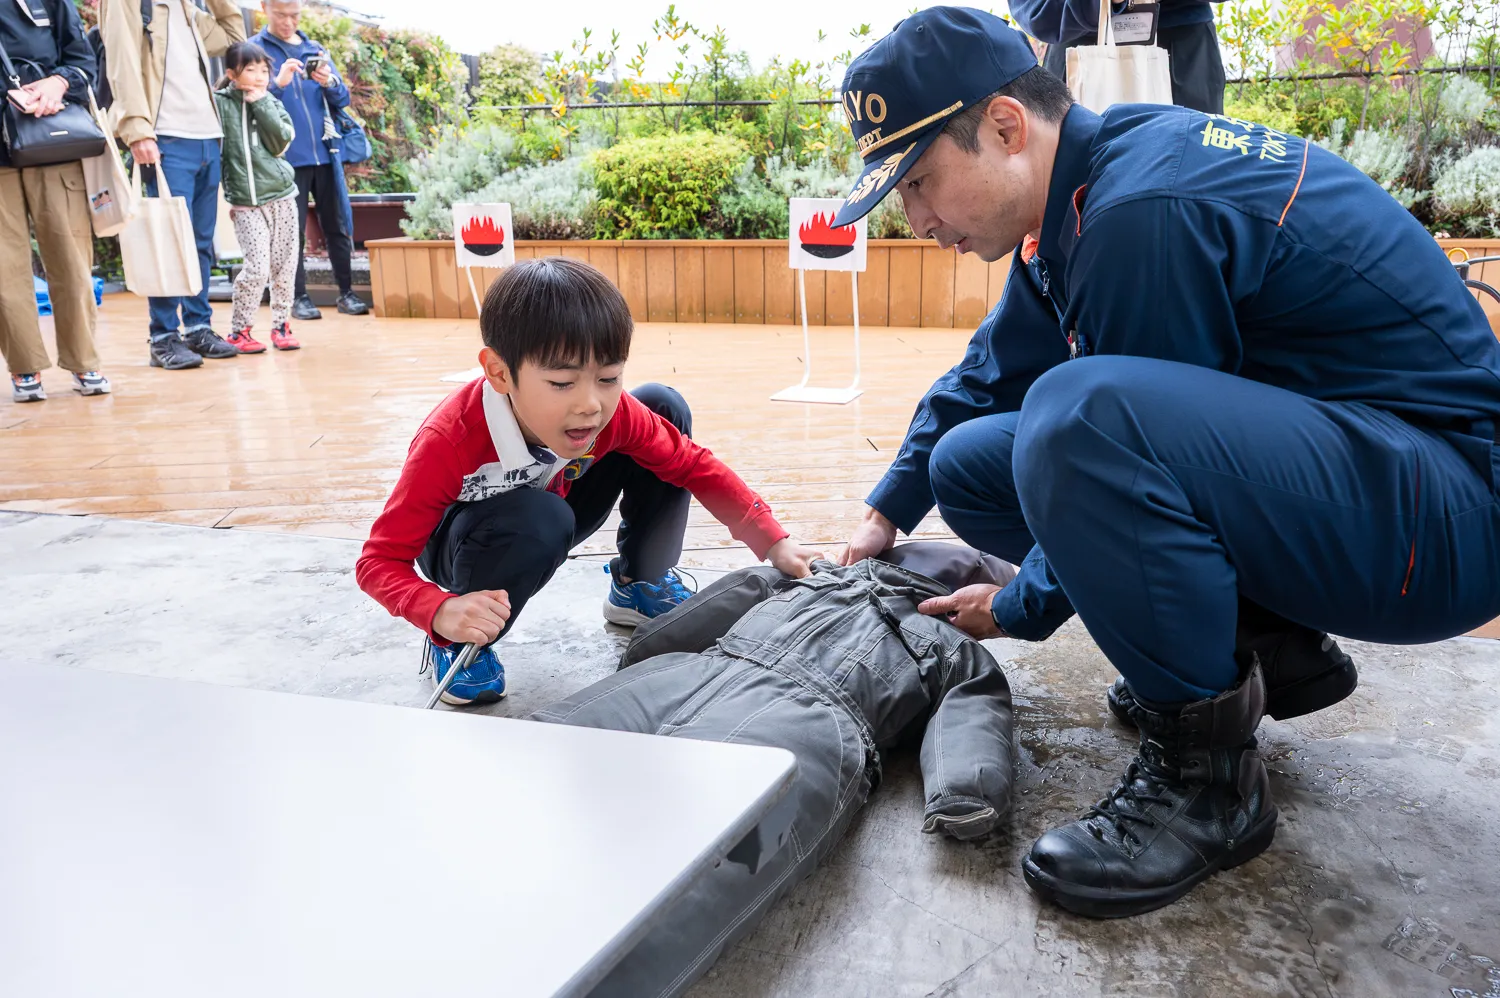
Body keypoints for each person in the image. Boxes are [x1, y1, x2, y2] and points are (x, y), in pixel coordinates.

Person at [831, 7, 1500, 917]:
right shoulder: (1087, 185)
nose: (915, 220)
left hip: (1444, 517)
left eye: (919, 183)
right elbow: (989, 370)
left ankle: (1208, 784)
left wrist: (1020, 606)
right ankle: (1267, 650)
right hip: (1367, 482)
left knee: (1076, 418)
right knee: (973, 461)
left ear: (1003, 126)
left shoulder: (1139, 213)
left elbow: (1111, 450)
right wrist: (885, 510)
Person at [355, 257, 824, 706]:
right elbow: (378, 562)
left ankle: (639, 582)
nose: (591, 404)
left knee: (663, 407)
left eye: (609, 377)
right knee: (538, 515)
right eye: (562, 383)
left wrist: (773, 541)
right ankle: (462, 641)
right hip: (463, 543)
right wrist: (435, 611)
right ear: (499, 373)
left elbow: (692, 465)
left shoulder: (607, 413)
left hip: (553, 509)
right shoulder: (450, 439)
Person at [101, 0, 244, 371]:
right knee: (164, 238)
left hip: (207, 136)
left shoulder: (187, 7)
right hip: (164, 136)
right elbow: (121, 62)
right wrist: (136, 129)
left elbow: (233, 38)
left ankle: (198, 327)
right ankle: (163, 335)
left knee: (200, 241)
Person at [1, 0, 111, 401]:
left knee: (71, 256)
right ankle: (24, 366)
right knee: (4, 268)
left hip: (52, 137)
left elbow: (83, 60)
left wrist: (58, 83)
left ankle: (84, 361)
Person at [253, 0, 369, 321]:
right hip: (286, 157)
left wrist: (329, 82)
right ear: (265, 8)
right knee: (292, 233)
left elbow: (342, 98)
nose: (288, 22)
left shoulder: (313, 47)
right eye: (281, 15)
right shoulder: (256, 50)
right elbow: (251, 102)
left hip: (326, 153)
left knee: (338, 224)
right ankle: (298, 297)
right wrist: (279, 84)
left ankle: (346, 293)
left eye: (294, 15)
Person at [213, 41, 301, 353]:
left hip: (282, 197)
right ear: (232, 74)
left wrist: (262, 102)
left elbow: (280, 144)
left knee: (284, 264)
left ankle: (281, 325)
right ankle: (240, 331)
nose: (260, 76)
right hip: (245, 203)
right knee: (257, 267)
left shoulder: (272, 102)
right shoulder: (219, 104)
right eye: (251, 69)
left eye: (264, 70)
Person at [1009, 0, 1227, 113]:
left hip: (1185, 54)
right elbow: (1038, 11)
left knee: (1189, 174)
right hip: (1080, 50)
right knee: (1084, 182)